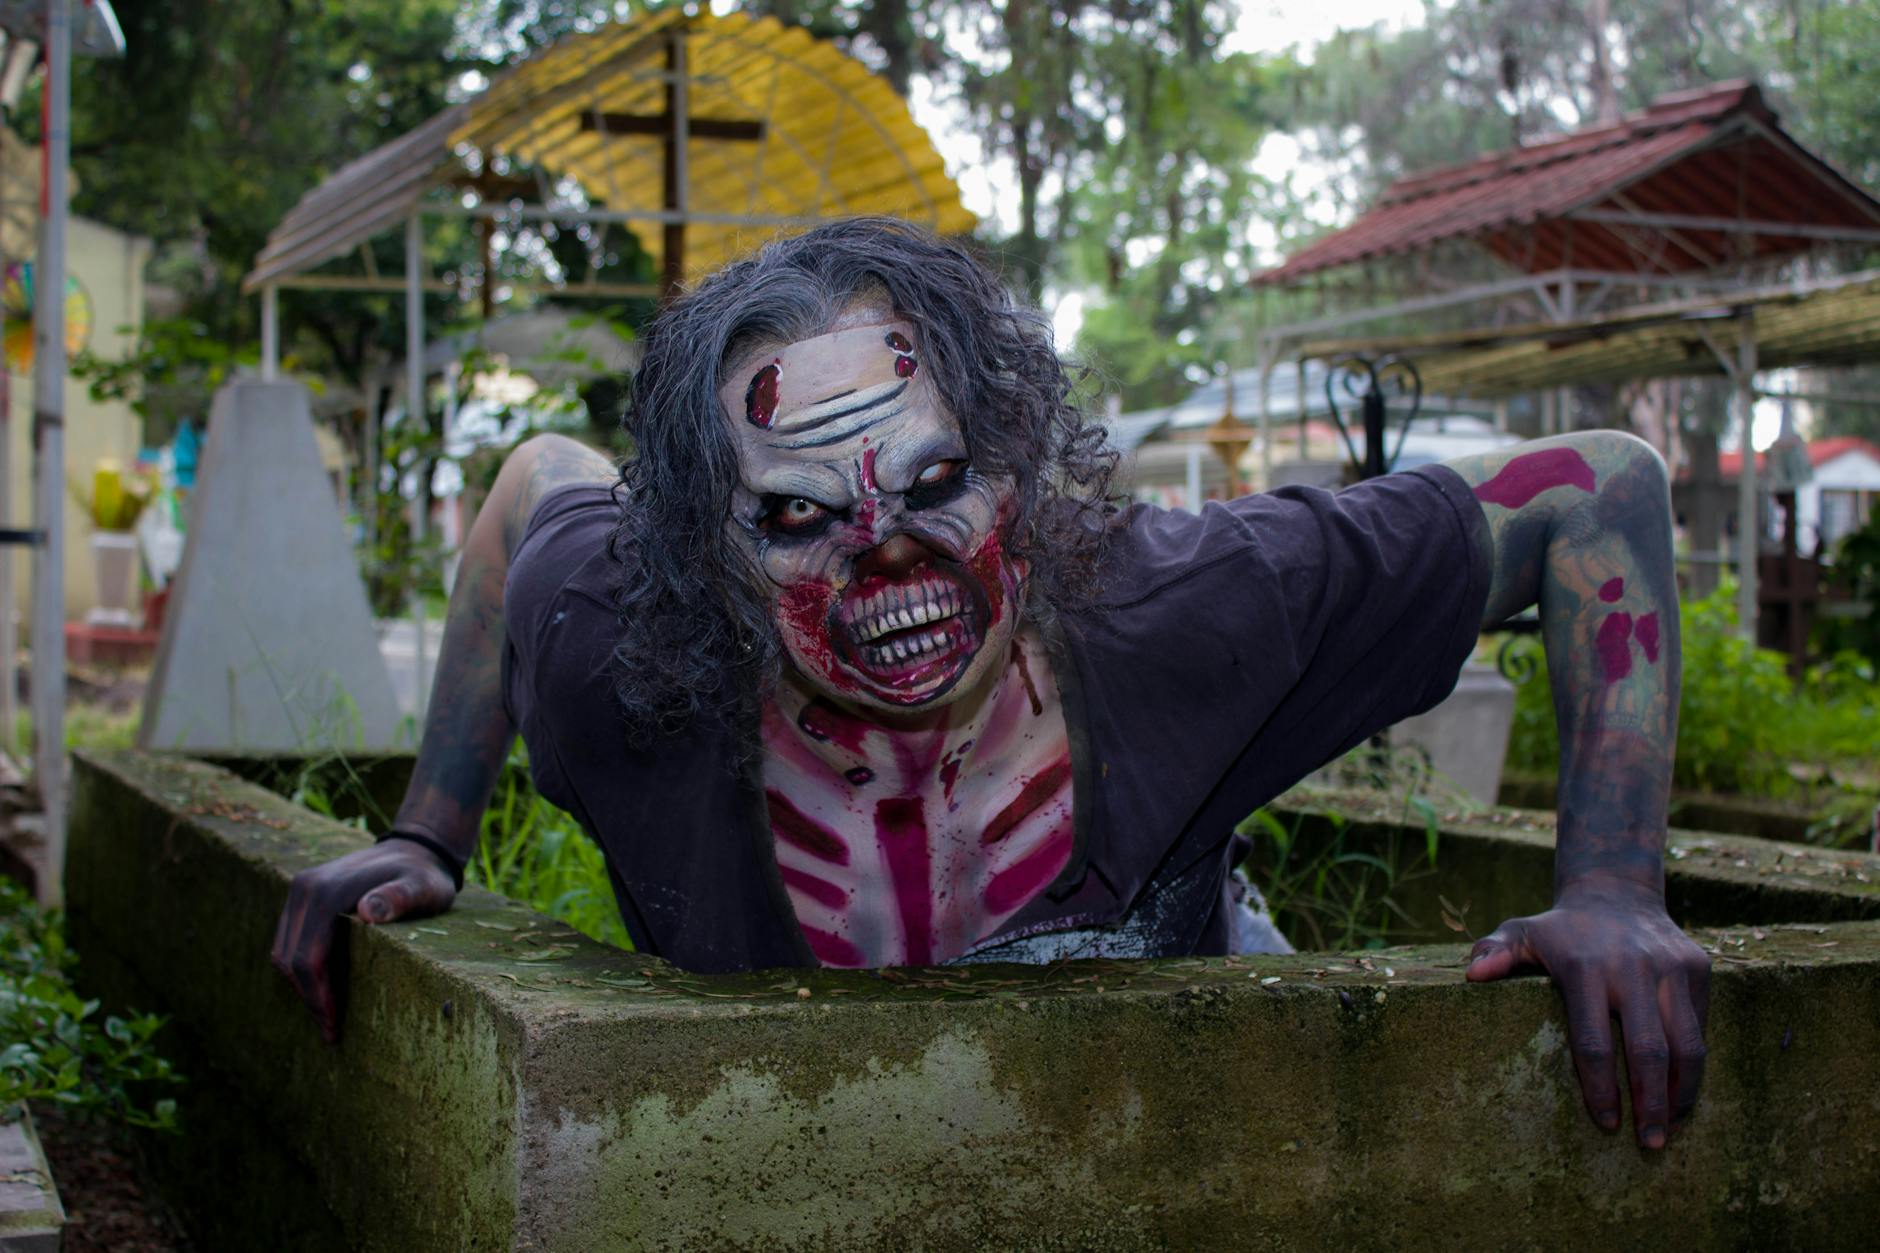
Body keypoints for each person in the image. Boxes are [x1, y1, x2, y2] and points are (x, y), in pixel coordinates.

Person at [273, 218, 1707, 1150]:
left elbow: (1598, 489)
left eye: (937, 480)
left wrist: (1614, 885)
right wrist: (427, 829)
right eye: (793, 516)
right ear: (697, 555)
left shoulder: (1182, 610)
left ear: (1013, 461)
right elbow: (536, 487)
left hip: (1185, 1111)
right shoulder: (629, 678)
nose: (885, 555)